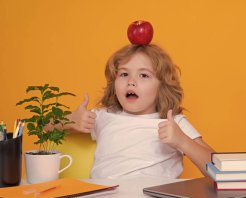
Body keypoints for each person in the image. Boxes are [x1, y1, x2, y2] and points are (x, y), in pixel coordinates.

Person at [67, 44, 214, 179]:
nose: (131, 81)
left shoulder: (173, 123)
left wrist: (183, 142)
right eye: (124, 74)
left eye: (143, 75)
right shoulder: (103, 116)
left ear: (162, 87)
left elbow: (219, 169)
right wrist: (70, 121)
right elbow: (45, 125)